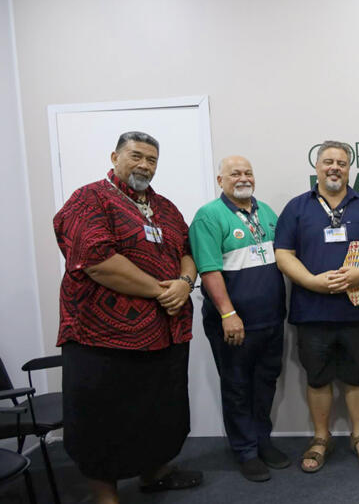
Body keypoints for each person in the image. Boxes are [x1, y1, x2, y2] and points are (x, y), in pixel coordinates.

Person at [53, 132, 201, 504]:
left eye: (151, 160)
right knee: (104, 420)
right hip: (102, 338)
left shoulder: (164, 207)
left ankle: (155, 473)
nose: (144, 165)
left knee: (160, 412)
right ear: (114, 156)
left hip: (164, 333)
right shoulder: (89, 199)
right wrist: (161, 291)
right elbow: (96, 260)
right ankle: (106, 495)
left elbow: (187, 249)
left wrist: (184, 283)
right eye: (136, 156)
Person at [274, 140, 359, 472]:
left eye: (341, 162)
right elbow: (283, 254)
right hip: (312, 311)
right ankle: (320, 438)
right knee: (317, 377)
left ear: (349, 168)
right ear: (316, 166)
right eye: (328, 161)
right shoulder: (297, 208)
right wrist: (312, 282)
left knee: (356, 376)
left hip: (358, 311)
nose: (335, 168)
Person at [189, 155, 288, 482]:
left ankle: (263, 440)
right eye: (234, 173)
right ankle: (245, 451)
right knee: (237, 387)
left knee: (265, 384)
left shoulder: (267, 212)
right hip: (234, 323)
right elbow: (208, 268)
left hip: (271, 321)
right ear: (221, 181)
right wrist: (228, 313)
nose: (242, 177)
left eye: (247, 172)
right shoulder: (209, 216)